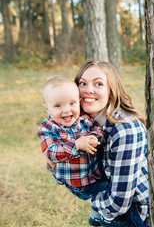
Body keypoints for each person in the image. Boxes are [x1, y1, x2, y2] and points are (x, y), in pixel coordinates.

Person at [74, 60, 149, 227]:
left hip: (135, 215)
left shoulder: (125, 130)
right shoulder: (83, 125)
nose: (88, 90)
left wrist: (87, 195)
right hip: (109, 211)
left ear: (111, 91)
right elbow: (72, 173)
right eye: (82, 83)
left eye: (98, 84)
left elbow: (118, 203)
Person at [37, 77, 109, 219]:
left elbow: (96, 129)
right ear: (47, 108)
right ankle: (111, 218)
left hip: (95, 174)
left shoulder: (83, 118)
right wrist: (76, 145)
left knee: (105, 192)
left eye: (72, 103)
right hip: (79, 182)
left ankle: (96, 215)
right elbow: (51, 152)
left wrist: (94, 137)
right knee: (112, 192)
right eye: (58, 106)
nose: (67, 110)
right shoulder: (47, 128)